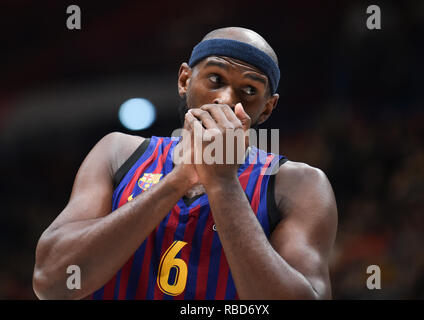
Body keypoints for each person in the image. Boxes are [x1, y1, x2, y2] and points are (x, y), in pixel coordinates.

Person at [32, 27, 338, 300]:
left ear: (267, 109)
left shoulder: (298, 183)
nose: (226, 100)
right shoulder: (119, 152)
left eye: (249, 91)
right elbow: (52, 282)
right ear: (184, 80)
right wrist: (180, 178)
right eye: (215, 79)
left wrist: (223, 182)